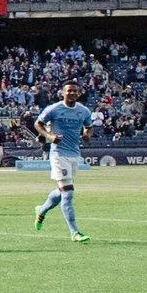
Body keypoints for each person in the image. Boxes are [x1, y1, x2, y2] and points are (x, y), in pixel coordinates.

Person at [32, 82, 99, 242]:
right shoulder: (54, 109)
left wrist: (87, 135)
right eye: (69, 91)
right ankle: (74, 232)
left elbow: (89, 127)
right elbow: (38, 124)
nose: (72, 93)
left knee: (61, 191)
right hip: (58, 154)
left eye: (75, 91)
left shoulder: (83, 111)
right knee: (68, 193)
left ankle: (41, 210)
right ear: (63, 93)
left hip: (74, 153)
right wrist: (49, 137)